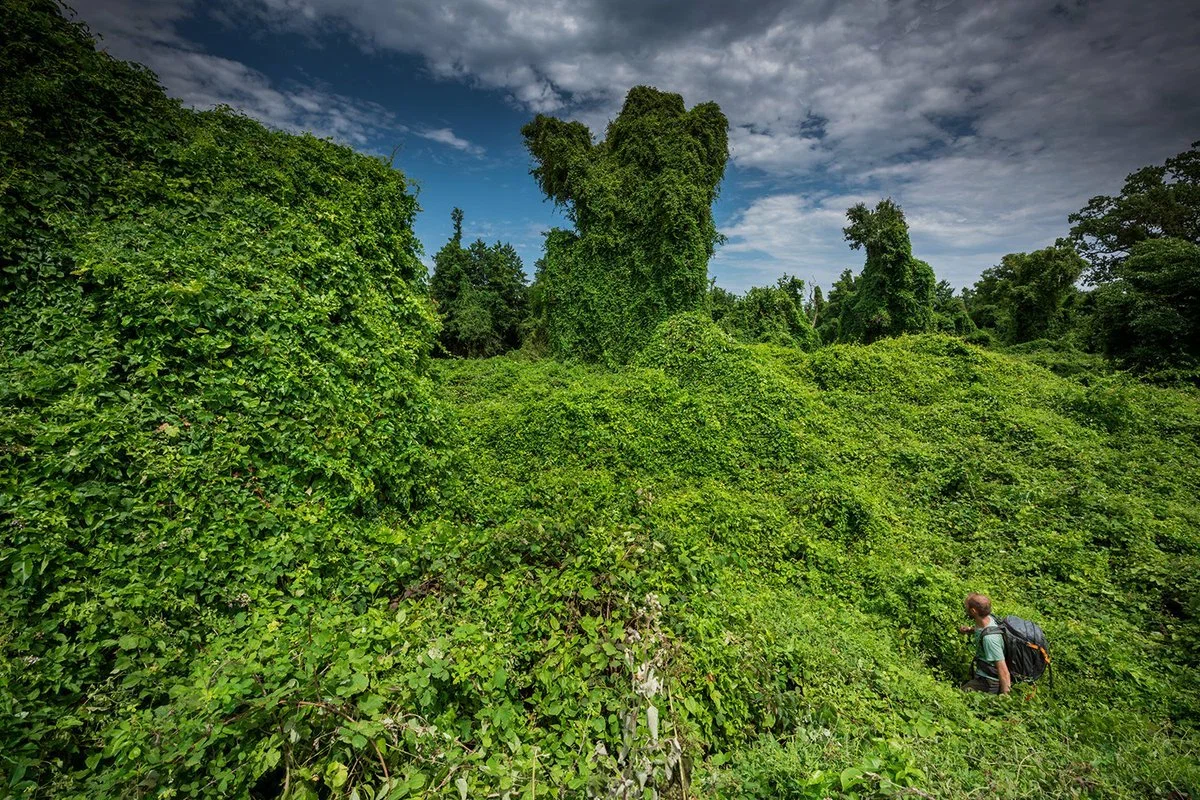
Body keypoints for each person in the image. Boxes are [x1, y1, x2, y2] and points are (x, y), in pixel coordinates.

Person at [957, 593, 1010, 695]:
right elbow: (982, 630)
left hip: (989, 681)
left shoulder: (990, 639)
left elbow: (1003, 671)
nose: (965, 609)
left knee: (958, 695)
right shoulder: (989, 619)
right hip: (982, 672)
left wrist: (1006, 699)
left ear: (973, 611)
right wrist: (969, 630)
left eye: (966, 607)